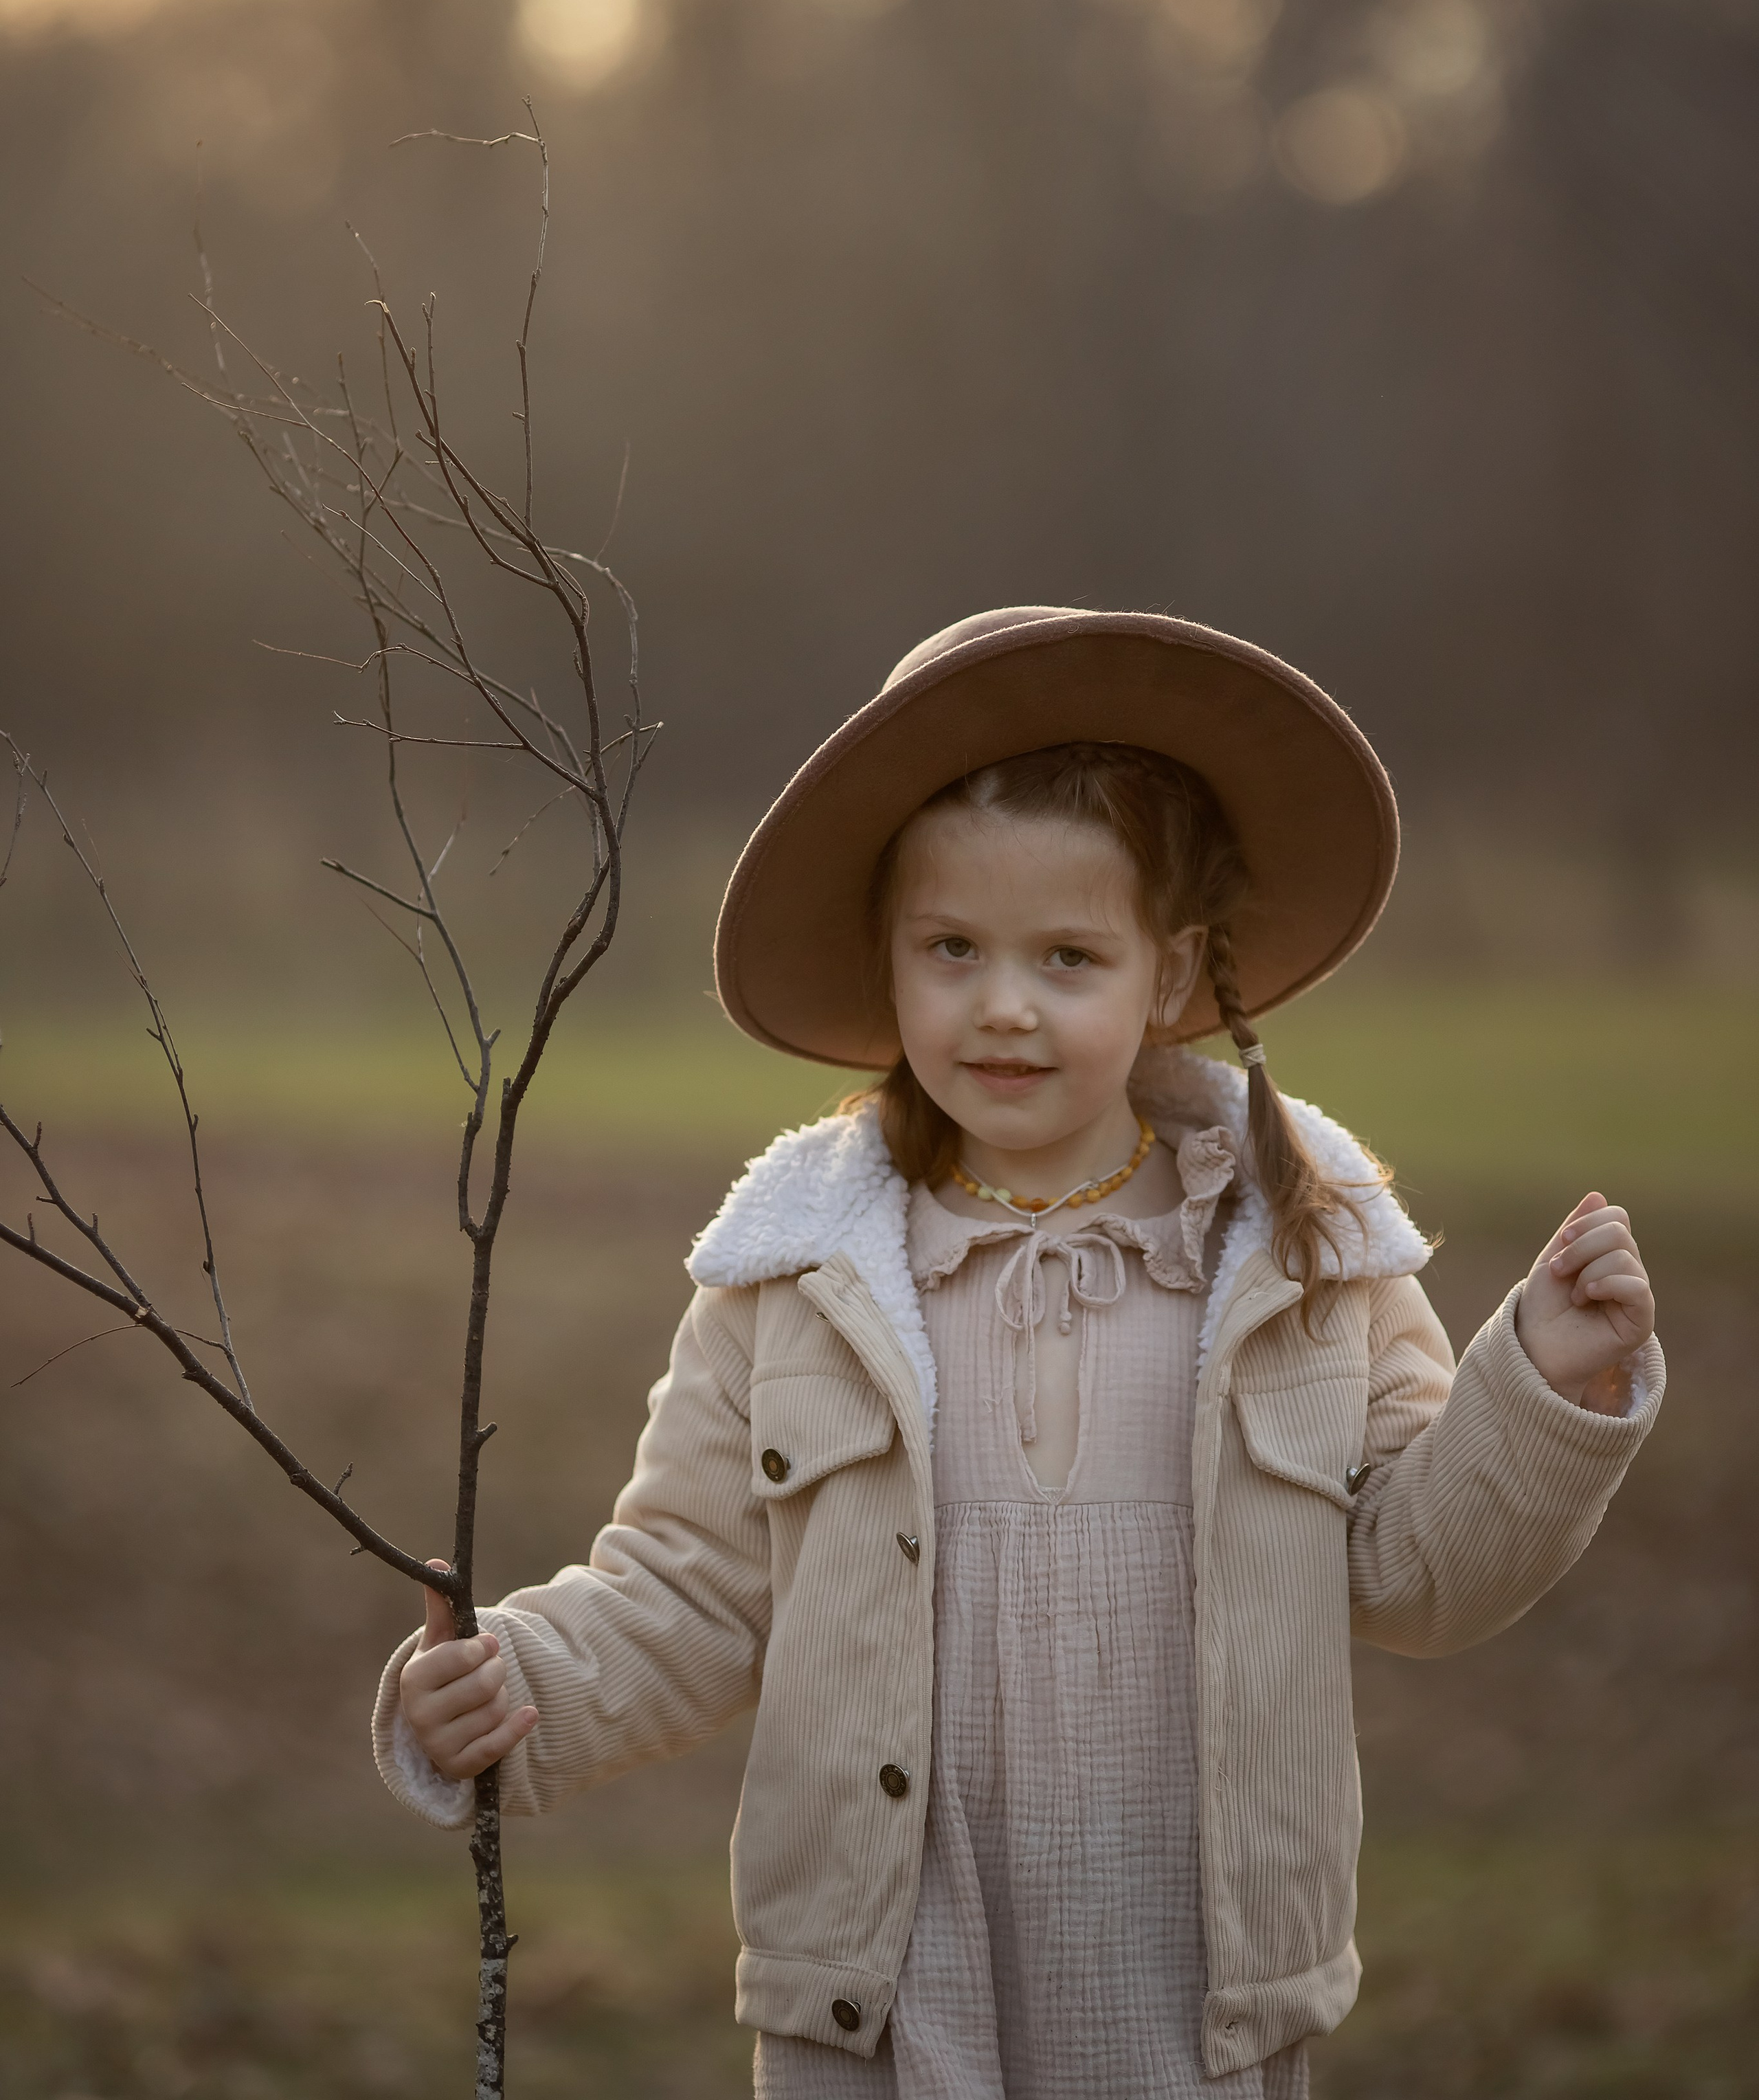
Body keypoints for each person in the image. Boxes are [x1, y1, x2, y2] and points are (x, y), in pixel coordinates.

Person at [374, 607, 1662, 2098]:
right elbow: (688, 1591)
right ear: (888, 962)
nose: (1002, 1004)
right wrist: (510, 1685)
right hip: (879, 2001)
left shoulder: (1302, 1261)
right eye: (952, 949)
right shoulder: (793, 1277)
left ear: (1168, 973)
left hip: (1188, 2001)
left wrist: (1542, 1385)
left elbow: (1416, 1571)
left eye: (1067, 956)